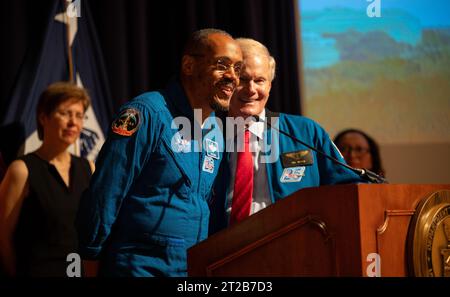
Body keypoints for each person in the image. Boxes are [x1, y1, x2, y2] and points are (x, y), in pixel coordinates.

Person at [75, 28, 243, 277]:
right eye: (222, 65)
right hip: (139, 266)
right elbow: (106, 191)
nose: (232, 77)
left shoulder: (215, 130)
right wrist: (89, 255)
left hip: (191, 267)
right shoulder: (146, 113)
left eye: (237, 68)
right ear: (188, 65)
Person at [209, 38, 365, 233]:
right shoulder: (205, 134)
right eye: (242, 79)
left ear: (269, 86)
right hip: (222, 252)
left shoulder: (306, 132)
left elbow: (348, 186)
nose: (251, 90)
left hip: (292, 250)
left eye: (259, 80)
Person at [0, 82, 94, 276]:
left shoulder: (88, 167)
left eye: (79, 116)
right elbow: (3, 236)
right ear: (43, 117)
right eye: (65, 113)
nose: (73, 123)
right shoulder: (21, 169)